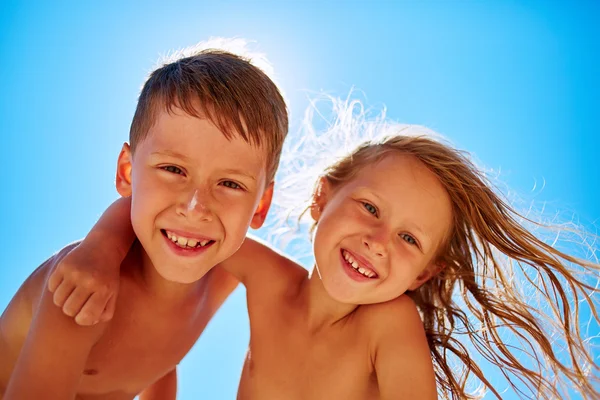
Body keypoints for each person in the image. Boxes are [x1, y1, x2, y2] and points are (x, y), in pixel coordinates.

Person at [47, 100, 599, 399]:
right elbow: (180, 220)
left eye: (408, 239)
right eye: (370, 209)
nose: (377, 242)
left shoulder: (388, 323)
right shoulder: (267, 279)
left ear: (424, 273)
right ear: (322, 197)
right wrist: (99, 248)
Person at [0, 42, 288, 399]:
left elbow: (160, 361)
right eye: (172, 169)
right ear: (127, 172)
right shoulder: (83, 287)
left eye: (230, 183)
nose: (195, 207)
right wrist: (102, 245)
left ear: (260, 205)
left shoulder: (227, 273)